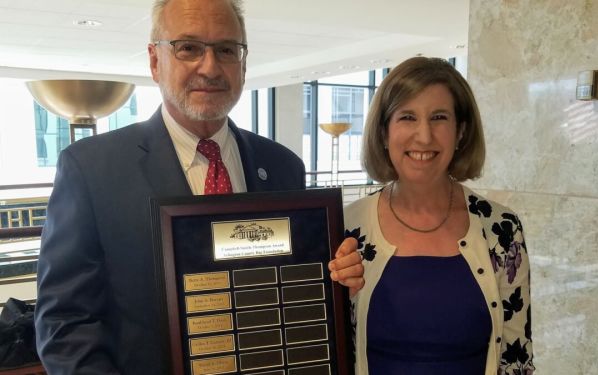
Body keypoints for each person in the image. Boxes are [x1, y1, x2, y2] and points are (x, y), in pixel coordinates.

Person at [34, 0, 363, 373]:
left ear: (243, 62)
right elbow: (64, 323)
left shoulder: (284, 166)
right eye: (188, 48)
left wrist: (333, 282)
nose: (209, 67)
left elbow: (289, 294)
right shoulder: (92, 169)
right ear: (155, 61)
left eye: (226, 50)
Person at [344, 57, 534, 375]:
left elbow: (516, 358)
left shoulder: (500, 228)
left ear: (461, 131)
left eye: (439, 117)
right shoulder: (347, 228)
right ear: (384, 131)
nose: (424, 136)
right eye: (407, 117)